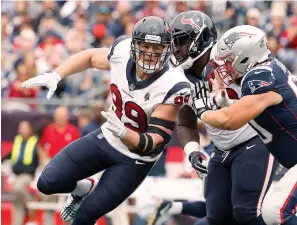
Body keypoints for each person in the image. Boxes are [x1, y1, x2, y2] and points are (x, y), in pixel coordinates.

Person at [21, 16, 192, 225]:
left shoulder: (174, 84)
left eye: (157, 49)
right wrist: (57, 74)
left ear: (167, 50)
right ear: (135, 45)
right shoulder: (122, 51)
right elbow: (91, 57)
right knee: (48, 182)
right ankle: (84, 187)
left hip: (136, 158)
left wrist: (124, 132)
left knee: (85, 215)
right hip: (108, 136)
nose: (150, 54)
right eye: (146, 46)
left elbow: (153, 142)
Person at [150, 11, 276, 225]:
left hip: (255, 139)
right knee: (216, 217)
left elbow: (270, 81)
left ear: (201, 39)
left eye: (182, 41)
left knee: (246, 212)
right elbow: (186, 121)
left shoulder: (232, 57)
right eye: (174, 43)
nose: (176, 49)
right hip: (221, 148)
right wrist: (193, 152)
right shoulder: (180, 77)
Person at [194, 25, 297, 225]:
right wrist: (226, 103)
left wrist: (202, 111)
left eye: (229, 60)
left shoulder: (259, 77)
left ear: (246, 56)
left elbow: (229, 121)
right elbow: (258, 108)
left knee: (276, 211)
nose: (225, 66)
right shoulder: (268, 70)